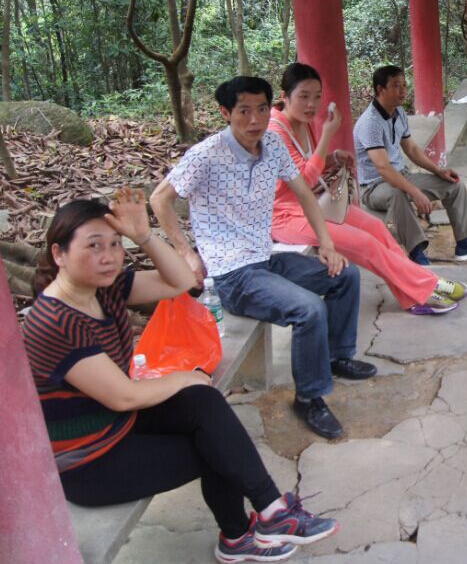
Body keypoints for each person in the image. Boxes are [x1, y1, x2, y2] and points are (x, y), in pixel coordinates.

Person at [24, 192, 339, 563]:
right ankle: (239, 536)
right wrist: (184, 378)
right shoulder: (54, 321)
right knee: (213, 444)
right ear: (59, 254)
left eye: (114, 244)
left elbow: (181, 281)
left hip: (119, 424)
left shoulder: (103, 289)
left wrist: (143, 236)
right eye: (93, 246)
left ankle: (270, 512)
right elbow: (122, 396)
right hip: (89, 460)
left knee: (205, 406)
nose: (108, 256)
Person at [151, 76, 374, 441]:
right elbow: (159, 199)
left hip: (265, 257)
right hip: (233, 275)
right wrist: (185, 253)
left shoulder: (271, 142)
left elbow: (303, 192)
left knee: (343, 275)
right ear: (226, 113)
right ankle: (310, 398)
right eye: (243, 111)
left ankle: (338, 356)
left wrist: (326, 244)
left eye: (260, 109)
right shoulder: (206, 155)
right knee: (307, 309)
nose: (254, 119)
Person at [268, 63, 467, 316]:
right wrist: (328, 135)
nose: (311, 105)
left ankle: (414, 293)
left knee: (376, 229)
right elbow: (305, 179)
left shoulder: (301, 121)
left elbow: (306, 165)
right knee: (365, 244)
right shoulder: (275, 131)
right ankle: (427, 287)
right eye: (303, 97)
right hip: (286, 216)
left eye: (317, 97)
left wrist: (334, 157)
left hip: (314, 205)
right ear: (285, 96)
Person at [355, 65, 467, 266]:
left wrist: (439, 170)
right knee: (398, 195)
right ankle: (416, 251)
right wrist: (414, 191)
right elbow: (383, 168)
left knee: (453, 184)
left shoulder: (398, 113)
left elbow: (411, 149)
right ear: (380, 89)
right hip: (373, 186)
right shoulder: (370, 122)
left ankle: (464, 243)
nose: (403, 91)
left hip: (400, 175)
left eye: (404, 85)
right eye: (396, 86)